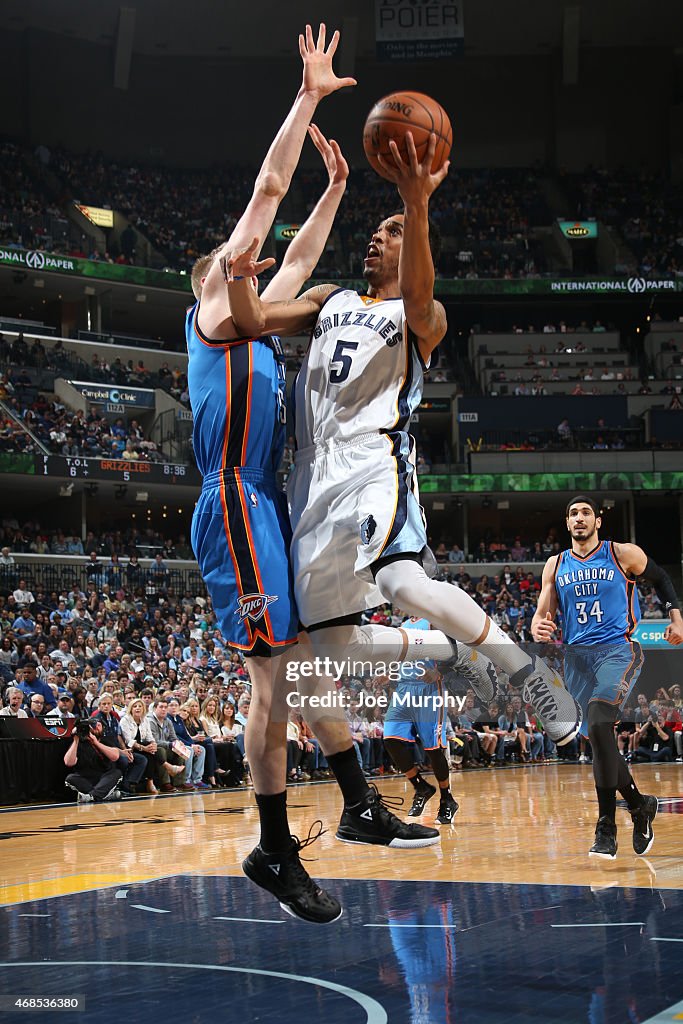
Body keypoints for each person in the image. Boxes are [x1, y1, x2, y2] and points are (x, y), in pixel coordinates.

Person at [187, 26, 444, 925]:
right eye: (229, 266)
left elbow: (290, 261)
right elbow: (263, 197)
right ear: (207, 290)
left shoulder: (248, 318)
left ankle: (359, 801)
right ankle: (273, 845)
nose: (245, 259)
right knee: (275, 681)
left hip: (266, 502)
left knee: (301, 672)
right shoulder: (216, 311)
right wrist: (306, 101)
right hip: (232, 499)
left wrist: (336, 187)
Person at [226, 135, 582, 754]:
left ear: (414, 249)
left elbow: (419, 293)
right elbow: (252, 319)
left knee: (406, 588)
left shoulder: (425, 317)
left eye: (391, 232)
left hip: (372, 463)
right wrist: (236, 274)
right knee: (330, 649)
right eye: (380, 229)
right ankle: (442, 644)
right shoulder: (324, 299)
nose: (376, 236)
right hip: (308, 480)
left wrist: (415, 205)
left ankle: (527, 672)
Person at [532, 495, 683, 859]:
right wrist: (539, 623)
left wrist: (676, 617)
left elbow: (661, 578)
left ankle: (606, 825)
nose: (579, 518)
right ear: (567, 523)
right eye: (572, 514)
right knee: (600, 743)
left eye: (585, 512)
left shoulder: (622, 553)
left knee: (601, 724)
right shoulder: (555, 565)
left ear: (597, 520)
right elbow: (543, 611)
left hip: (617, 650)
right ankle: (639, 804)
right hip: (577, 660)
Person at [383, 616, 485, 824]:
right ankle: (420, 786)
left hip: (429, 690)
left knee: (433, 749)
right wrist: (388, 672)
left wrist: (438, 671)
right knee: (390, 739)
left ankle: (447, 799)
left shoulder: (432, 621)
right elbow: (400, 657)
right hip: (404, 689)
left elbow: (457, 652)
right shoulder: (403, 625)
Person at [63, 720, 123, 803]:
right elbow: (68, 762)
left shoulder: (106, 740)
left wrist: (96, 743)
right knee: (70, 778)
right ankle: (103, 795)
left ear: (103, 728)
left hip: (104, 777)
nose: (96, 728)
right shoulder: (78, 743)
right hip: (86, 778)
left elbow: (115, 757)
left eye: (99, 725)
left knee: (116, 773)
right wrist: (76, 740)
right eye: (93, 726)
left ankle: (91, 796)